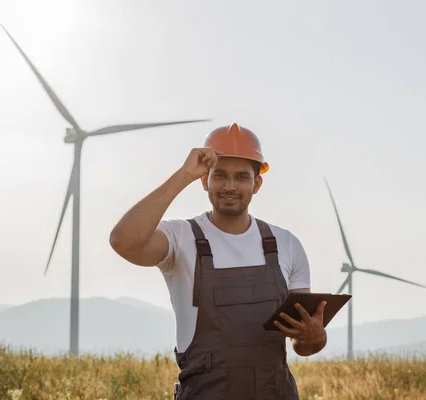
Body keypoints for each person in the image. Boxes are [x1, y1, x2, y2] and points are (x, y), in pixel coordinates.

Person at [109, 123, 327, 399]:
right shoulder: (180, 238)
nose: (230, 186)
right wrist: (183, 174)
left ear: (257, 183)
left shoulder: (286, 245)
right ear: (204, 180)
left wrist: (316, 339)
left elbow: (300, 341)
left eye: (241, 177)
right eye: (220, 175)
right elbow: (122, 240)